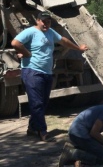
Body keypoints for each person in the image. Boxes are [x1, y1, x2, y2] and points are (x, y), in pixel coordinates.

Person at [11, 11, 89, 141]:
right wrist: (26, 53)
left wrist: (78, 48)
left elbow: (63, 41)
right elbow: (15, 43)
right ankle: (43, 131)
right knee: (37, 103)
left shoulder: (51, 32)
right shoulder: (31, 31)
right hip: (32, 72)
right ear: (37, 21)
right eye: (43, 21)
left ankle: (31, 128)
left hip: (47, 73)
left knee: (43, 102)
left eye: (48, 21)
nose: (46, 23)